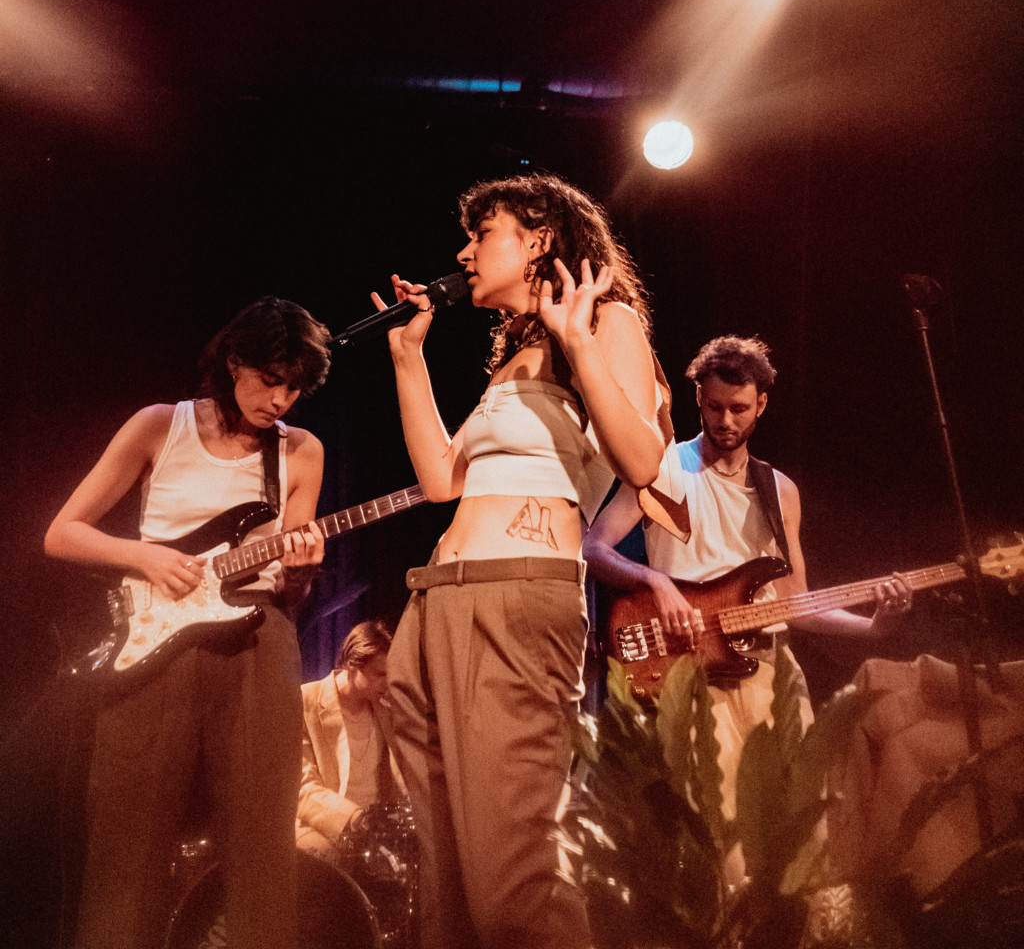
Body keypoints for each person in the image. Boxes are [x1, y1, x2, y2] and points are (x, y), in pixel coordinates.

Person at [370, 174, 667, 949]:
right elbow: (442, 479)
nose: (464, 253)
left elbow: (642, 459)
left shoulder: (606, 322)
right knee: (446, 892)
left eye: (482, 234)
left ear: (538, 240)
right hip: (437, 600)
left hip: (516, 600)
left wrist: (579, 341)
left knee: (515, 887)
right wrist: (408, 358)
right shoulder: (512, 360)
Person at [44, 296, 331, 949]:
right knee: (128, 842)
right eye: (270, 379)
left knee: (262, 842)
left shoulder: (302, 451)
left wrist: (304, 571)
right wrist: (144, 556)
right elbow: (62, 533)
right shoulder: (158, 425)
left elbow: (291, 590)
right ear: (234, 362)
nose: (280, 400)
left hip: (259, 635)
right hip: (155, 643)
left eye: (294, 388)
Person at [582, 334, 911, 880]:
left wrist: (873, 628)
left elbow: (796, 603)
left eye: (739, 408)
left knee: (802, 828)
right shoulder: (663, 469)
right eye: (714, 407)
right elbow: (594, 548)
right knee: (723, 842)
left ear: (761, 404)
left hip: (771, 671)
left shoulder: (779, 490)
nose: (726, 420)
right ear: (699, 399)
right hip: (694, 670)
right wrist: (656, 582)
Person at [295, 618, 404, 853]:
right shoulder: (304, 701)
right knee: (329, 858)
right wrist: (355, 819)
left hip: (380, 825)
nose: (388, 683)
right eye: (380, 674)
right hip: (324, 826)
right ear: (353, 664)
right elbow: (301, 786)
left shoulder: (387, 708)